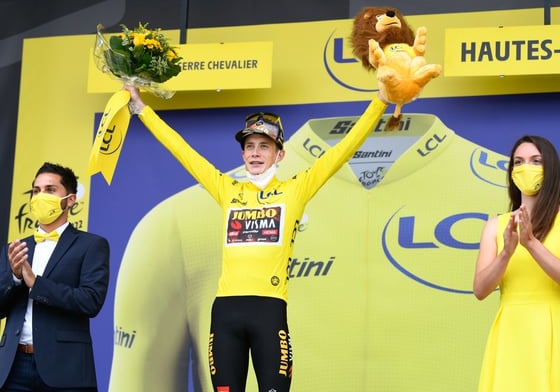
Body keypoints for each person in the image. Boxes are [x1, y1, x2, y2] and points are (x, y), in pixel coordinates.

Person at [123, 74, 396, 392]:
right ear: (242, 154)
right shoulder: (227, 189)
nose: (255, 153)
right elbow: (182, 151)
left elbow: (343, 150)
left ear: (280, 154)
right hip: (225, 314)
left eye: (264, 146)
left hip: (269, 312)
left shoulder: (295, 190)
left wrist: (381, 101)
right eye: (249, 146)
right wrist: (141, 109)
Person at [0, 162, 110, 392]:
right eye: (36, 190)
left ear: (70, 199)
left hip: (65, 368)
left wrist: (36, 283)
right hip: (13, 366)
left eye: (50, 190)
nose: (41, 196)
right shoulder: (15, 248)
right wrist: (15, 278)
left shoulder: (91, 245)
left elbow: (90, 301)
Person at [473, 135, 560, 391]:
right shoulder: (496, 226)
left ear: (551, 168)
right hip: (511, 332)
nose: (526, 167)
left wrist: (531, 243)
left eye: (536, 161)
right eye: (518, 162)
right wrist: (506, 253)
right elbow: (480, 289)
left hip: (554, 326)